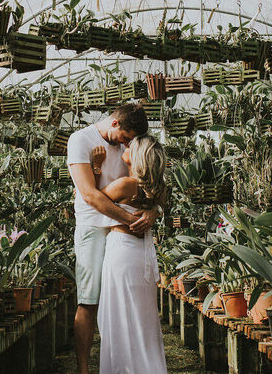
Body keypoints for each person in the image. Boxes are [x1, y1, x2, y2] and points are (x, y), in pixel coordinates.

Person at [67, 104, 157, 374]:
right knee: (89, 301)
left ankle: (121, 364)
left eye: (131, 140)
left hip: (120, 237)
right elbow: (90, 195)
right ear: (115, 123)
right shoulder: (80, 140)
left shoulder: (127, 148)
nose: (128, 143)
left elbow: (145, 181)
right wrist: (130, 220)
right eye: (126, 136)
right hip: (93, 228)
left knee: (118, 303)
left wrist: (151, 210)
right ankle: (83, 369)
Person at [95, 135, 169, 374]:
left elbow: (93, 201)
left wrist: (96, 168)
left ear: (138, 156)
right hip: (143, 255)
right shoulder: (157, 191)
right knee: (142, 318)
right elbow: (156, 207)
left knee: (118, 315)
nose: (126, 146)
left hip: (122, 253)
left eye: (131, 145)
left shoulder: (127, 185)